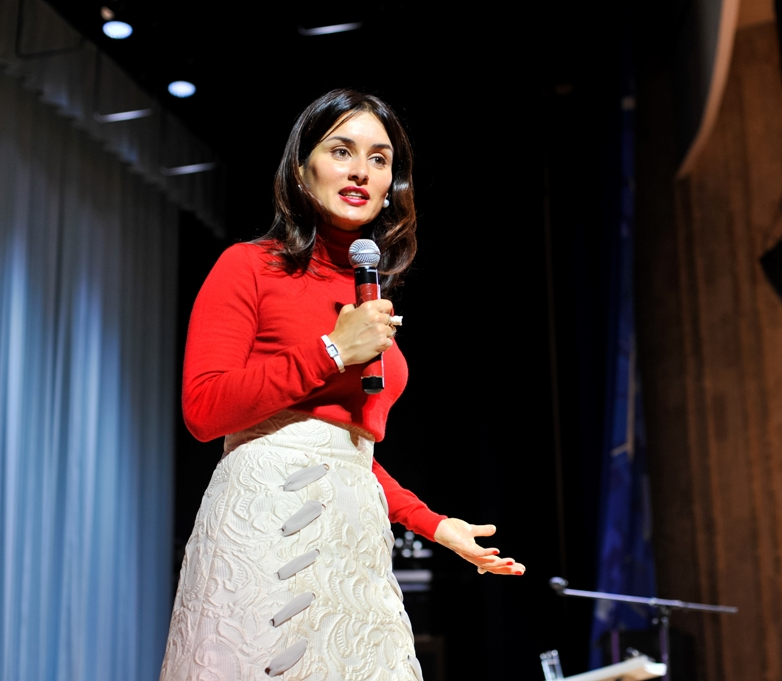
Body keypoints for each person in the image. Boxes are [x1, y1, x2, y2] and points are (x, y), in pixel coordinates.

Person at [158, 89, 525, 681]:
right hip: (267, 519)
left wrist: (435, 525)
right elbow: (203, 410)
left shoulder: (369, 293)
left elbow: (350, 455)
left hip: (354, 531)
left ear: (391, 186)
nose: (361, 171)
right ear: (301, 170)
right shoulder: (249, 266)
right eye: (341, 151)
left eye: (379, 159)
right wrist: (332, 351)